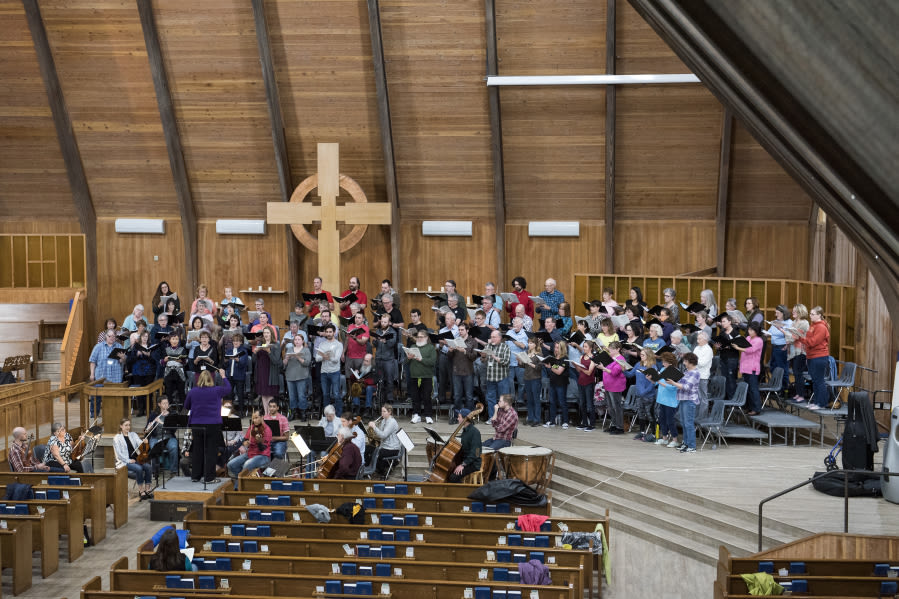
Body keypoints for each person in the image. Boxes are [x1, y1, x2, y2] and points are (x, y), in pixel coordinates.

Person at [183, 369, 231, 483]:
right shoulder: (216, 390)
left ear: (199, 380)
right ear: (211, 379)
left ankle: (195, 476)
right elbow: (229, 388)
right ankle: (209, 478)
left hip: (196, 424)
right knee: (211, 451)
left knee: (197, 449)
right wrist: (224, 376)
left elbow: (186, 405)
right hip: (212, 424)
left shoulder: (193, 391)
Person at [88, 329, 127, 417]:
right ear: (106, 336)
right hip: (101, 378)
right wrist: (92, 374)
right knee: (96, 396)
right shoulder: (98, 347)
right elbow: (92, 361)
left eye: (114, 336)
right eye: (110, 336)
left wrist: (123, 358)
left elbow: (123, 361)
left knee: (115, 398)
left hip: (115, 378)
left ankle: (114, 415)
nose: (112, 338)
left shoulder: (119, 346)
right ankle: (94, 414)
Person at [113, 418, 154, 499]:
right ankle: (141, 491)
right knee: (139, 468)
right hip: (124, 462)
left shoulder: (133, 434)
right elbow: (119, 454)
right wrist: (128, 460)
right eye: (126, 425)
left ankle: (147, 489)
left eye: (129, 425)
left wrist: (144, 442)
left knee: (148, 467)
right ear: (121, 426)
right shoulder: (117, 438)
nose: (128, 427)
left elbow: (139, 443)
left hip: (136, 459)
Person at [670, 353, 701, 453]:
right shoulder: (687, 371)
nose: (684, 363)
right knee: (684, 423)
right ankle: (686, 443)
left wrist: (674, 383)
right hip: (683, 399)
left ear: (691, 362)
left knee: (688, 424)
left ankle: (692, 446)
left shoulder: (695, 373)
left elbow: (687, 387)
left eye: (685, 361)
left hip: (690, 400)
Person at [228, 408, 272, 478]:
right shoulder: (251, 427)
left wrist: (259, 441)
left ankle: (241, 482)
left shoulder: (267, 430)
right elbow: (244, 439)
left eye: (256, 418)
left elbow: (262, 449)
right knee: (231, 464)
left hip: (262, 456)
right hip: (250, 454)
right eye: (253, 418)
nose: (254, 420)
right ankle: (241, 480)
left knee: (247, 465)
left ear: (262, 417)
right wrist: (245, 443)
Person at [596, 342, 627, 435]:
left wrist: (603, 368)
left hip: (616, 385)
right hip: (608, 384)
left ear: (618, 349)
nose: (610, 351)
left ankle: (620, 427)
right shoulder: (610, 358)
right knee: (610, 407)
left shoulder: (621, 359)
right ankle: (613, 424)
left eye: (612, 349)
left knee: (616, 406)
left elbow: (614, 372)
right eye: (609, 349)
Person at [407, 329, 437, 424]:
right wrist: (408, 358)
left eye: (421, 337)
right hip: (414, 376)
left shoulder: (431, 348)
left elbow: (432, 362)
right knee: (415, 397)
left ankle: (428, 415)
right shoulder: (412, 346)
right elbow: (405, 362)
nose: (419, 339)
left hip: (426, 376)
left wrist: (422, 359)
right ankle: (416, 414)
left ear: (426, 338)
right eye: (418, 337)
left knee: (426, 396)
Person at [805, 306, 831, 410]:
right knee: (814, 380)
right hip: (811, 356)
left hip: (819, 356)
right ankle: (816, 401)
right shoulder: (813, 325)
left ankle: (822, 403)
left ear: (819, 315)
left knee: (819, 380)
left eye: (813, 314)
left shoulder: (821, 327)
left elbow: (812, 342)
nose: (810, 316)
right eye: (810, 314)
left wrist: (801, 338)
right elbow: (808, 339)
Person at [735, 322, 764, 415]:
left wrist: (738, 348)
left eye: (751, 330)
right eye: (749, 329)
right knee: (747, 389)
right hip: (745, 366)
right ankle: (748, 407)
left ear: (756, 331)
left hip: (752, 367)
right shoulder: (747, 338)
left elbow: (750, 350)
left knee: (753, 389)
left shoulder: (759, 340)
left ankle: (756, 408)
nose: (749, 331)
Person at [315, 323, 344, 415]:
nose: (328, 334)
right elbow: (317, 358)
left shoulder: (338, 344)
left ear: (334, 332)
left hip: (334, 372)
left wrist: (327, 356)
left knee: (336, 394)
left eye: (330, 332)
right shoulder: (322, 344)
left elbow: (336, 359)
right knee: (325, 394)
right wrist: (325, 357)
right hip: (324, 372)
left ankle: (338, 415)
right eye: (327, 332)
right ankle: (326, 415)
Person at [145, 397, 179, 475]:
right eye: (164, 403)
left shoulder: (172, 414)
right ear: (159, 404)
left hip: (169, 437)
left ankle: (174, 470)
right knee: (154, 447)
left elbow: (174, 428)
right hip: (156, 437)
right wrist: (149, 428)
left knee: (174, 447)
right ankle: (155, 470)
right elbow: (146, 430)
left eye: (167, 403)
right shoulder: (154, 415)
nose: (166, 405)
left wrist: (161, 422)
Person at [451, 321, 478, 418]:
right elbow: (450, 356)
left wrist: (465, 351)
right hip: (456, 371)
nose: (460, 331)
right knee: (457, 396)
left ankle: (469, 417)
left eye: (462, 330)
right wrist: (450, 350)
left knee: (469, 397)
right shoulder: (455, 340)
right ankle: (456, 417)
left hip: (468, 372)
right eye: (459, 330)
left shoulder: (473, 342)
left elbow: (474, 357)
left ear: (467, 330)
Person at [371, 312, 399, 407]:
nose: (383, 323)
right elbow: (374, 345)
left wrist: (385, 341)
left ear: (389, 322)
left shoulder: (393, 332)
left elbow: (393, 344)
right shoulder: (378, 331)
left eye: (385, 322)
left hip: (388, 359)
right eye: (382, 322)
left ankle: (390, 398)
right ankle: (380, 398)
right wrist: (375, 341)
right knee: (380, 379)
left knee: (389, 379)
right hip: (379, 357)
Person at [483, 329, 511, 420]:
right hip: (490, 377)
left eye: (494, 337)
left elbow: (506, 362)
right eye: (491, 337)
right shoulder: (488, 346)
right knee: (490, 399)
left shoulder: (505, 347)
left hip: (501, 378)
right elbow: (483, 361)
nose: (492, 339)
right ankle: (492, 418)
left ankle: (503, 418)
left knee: (503, 400)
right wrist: (483, 356)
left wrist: (494, 357)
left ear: (499, 337)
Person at [654, 352, 681, 447]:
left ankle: (675, 439)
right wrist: (652, 379)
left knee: (670, 420)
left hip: (671, 400)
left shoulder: (675, 371)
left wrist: (660, 383)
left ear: (670, 362)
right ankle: (664, 438)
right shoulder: (662, 369)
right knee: (662, 419)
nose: (662, 363)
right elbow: (657, 383)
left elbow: (673, 387)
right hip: (662, 399)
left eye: (664, 361)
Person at [765, 305, 793, 395]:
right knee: (773, 367)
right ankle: (775, 387)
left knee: (782, 368)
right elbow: (770, 332)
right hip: (774, 347)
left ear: (783, 313)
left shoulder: (789, 323)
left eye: (777, 313)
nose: (775, 314)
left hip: (782, 348)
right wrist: (765, 333)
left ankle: (784, 389)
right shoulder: (775, 321)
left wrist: (781, 330)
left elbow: (790, 335)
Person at [448, 408, 481, 483]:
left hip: (472, 463)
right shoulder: (465, 430)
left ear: (465, 419)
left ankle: (462, 492)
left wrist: (463, 465)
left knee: (453, 477)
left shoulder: (475, 432)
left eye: (459, 417)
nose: (457, 418)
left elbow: (476, 453)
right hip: (465, 460)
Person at [283, 332, 311, 421]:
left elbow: (307, 363)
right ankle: (293, 412)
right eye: (295, 339)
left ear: (303, 341)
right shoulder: (290, 349)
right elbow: (284, 365)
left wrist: (298, 357)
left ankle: (303, 413)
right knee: (292, 396)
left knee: (301, 395)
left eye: (299, 339)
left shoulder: (306, 350)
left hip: (301, 376)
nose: (297, 341)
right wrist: (286, 359)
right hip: (290, 376)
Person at [785, 304, 810, 402]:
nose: (793, 312)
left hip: (801, 352)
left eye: (795, 311)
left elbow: (793, 337)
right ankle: (798, 393)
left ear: (800, 312)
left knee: (798, 373)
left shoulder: (804, 323)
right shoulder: (794, 322)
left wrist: (783, 331)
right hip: (793, 351)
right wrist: (788, 336)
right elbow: (789, 337)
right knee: (795, 374)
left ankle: (802, 395)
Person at [367, 404, 401, 475]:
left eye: (384, 411)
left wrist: (374, 427)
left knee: (375, 453)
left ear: (389, 412)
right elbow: (380, 434)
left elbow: (383, 435)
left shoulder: (392, 422)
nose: (382, 413)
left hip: (392, 448)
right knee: (367, 449)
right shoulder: (383, 421)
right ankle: (368, 469)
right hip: (384, 446)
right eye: (381, 411)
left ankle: (382, 472)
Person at [252, 325, 281, 408]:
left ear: (271, 334)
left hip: (270, 373)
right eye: (264, 333)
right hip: (261, 372)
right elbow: (254, 360)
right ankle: (266, 414)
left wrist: (269, 352)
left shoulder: (275, 345)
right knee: (263, 394)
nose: (266, 334)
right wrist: (255, 352)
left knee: (270, 394)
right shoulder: (260, 344)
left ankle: (270, 414)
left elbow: (276, 360)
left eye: (267, 333)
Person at [543, 340, 569, 429]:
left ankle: (565, 421)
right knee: (552, 402)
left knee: (562, 402)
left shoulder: (564, 358)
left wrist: (551, 367)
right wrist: (549, 366)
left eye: (558, 347)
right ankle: (552, 421)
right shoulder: (553, 358)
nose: (556, 349)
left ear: (562, 348)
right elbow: (554, 369)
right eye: (555, 347)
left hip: (561, 383)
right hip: (553, 382)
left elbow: (559, 371)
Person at [572, 340, 598, 431]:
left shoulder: (593, 358)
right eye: (584, 346)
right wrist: (575, 366)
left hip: (589, 382)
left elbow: (589, 372)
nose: (584, 348)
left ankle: (592, 424)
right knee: (582, 403)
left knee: (589, 403)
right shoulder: (582, 357)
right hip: (581, 382)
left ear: (590, 348)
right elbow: (579, 371)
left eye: (586, 346)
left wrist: (580, 368)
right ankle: (584, 422)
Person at [161, 332, 188, 406]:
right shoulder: (166, 349)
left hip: (179, 371)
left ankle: (183, 409)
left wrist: (181, 361)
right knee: (168, 391)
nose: (175, 341)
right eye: (173, 339)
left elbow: (186, 361)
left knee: (181, 391)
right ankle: (168, 408)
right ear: (170, 340)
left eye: (176, 339)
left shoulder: (182, 349)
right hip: (169, 372)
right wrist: (164, 360)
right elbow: (161, 362)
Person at [522, 337, 544, 427]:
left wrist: (530, 363)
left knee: (536, 399)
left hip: (535, 378)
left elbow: (539, 367)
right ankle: (530, 418)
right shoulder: (527, 353)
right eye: (529, 343)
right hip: (527, 378)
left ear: (535, 344)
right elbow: (523, 366)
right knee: (529, 400)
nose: (529, 345)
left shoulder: (539, 354)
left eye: (531, 343)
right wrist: (520, 361)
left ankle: (537, 419)